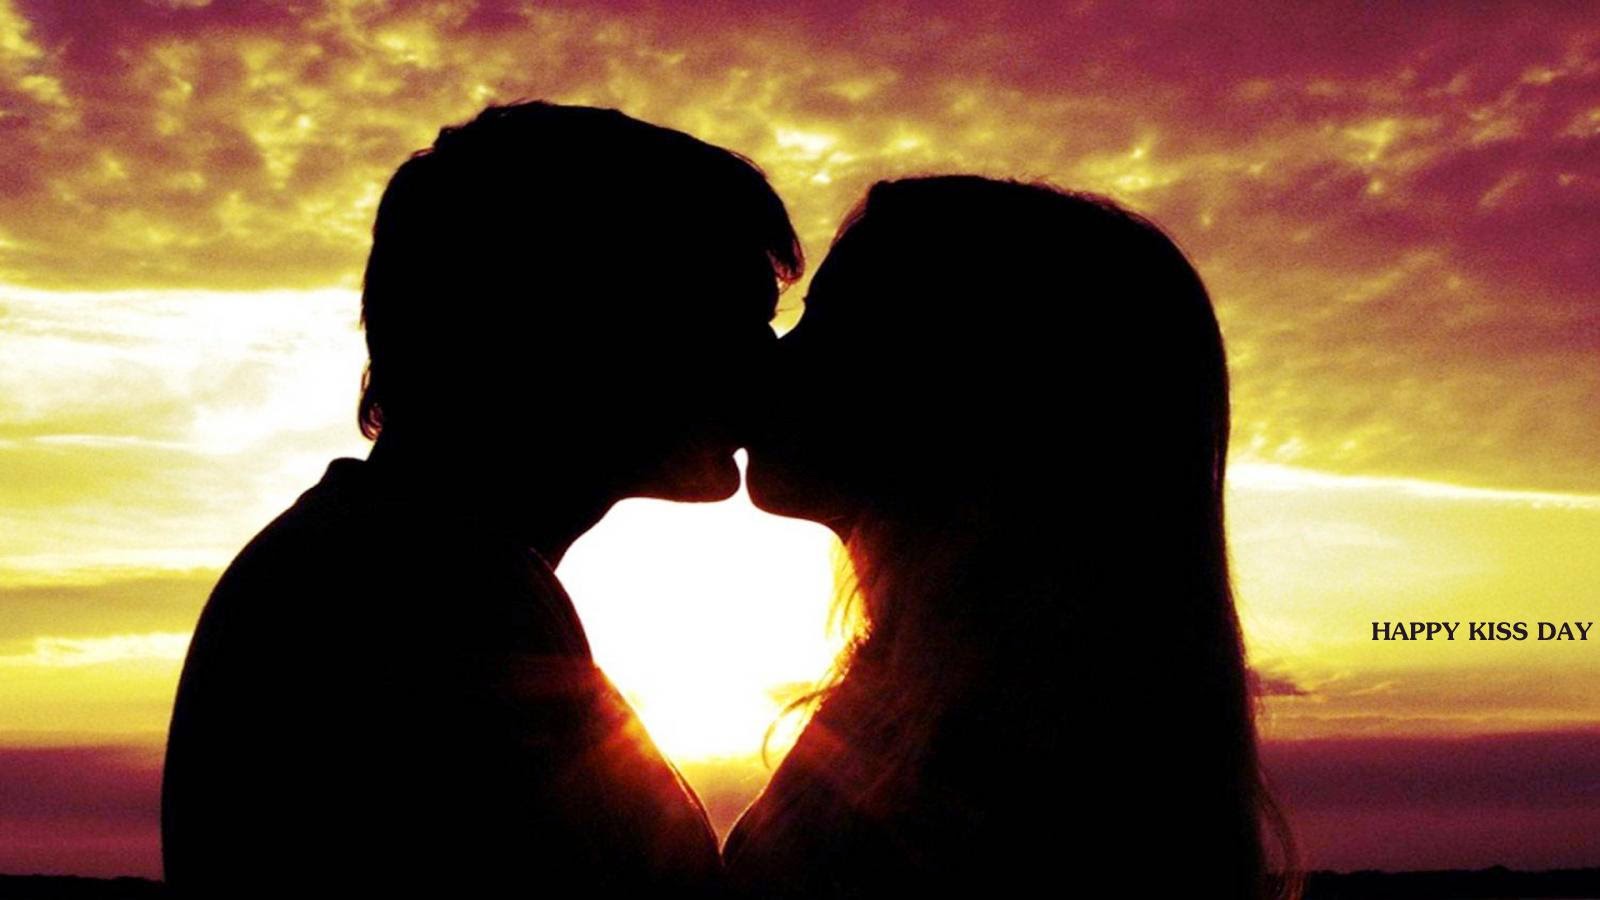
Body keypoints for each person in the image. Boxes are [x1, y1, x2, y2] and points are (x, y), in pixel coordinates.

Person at [160, 99, 802, 898]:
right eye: (732, 321)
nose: (768, 367)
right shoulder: (422, 595)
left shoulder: (402, 566)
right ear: (584, 325)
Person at [722, 175, 1301, 899]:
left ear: (969, 391)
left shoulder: (1010, 771)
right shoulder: (924, 707)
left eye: (834, 325)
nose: (774, 359)